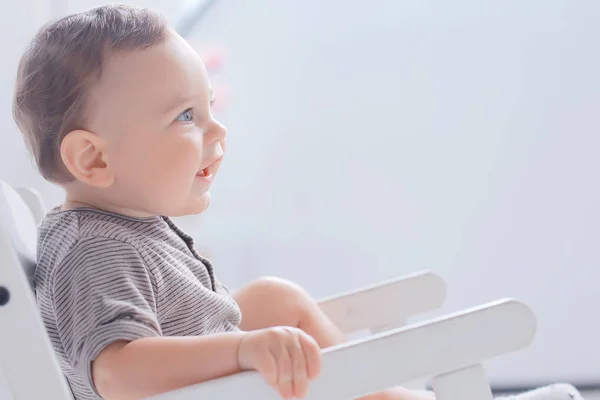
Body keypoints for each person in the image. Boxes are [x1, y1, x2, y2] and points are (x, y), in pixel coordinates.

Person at [12, 5, 583, 400]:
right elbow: (116, 374)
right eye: (185, 117)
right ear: (94, 160)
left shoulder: (123, 228)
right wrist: (243, 351)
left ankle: (386, 394)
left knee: (270, 299)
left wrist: (251, 337)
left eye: (210, 108)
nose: (218, 133)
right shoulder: (95, 247)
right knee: (266, 316)